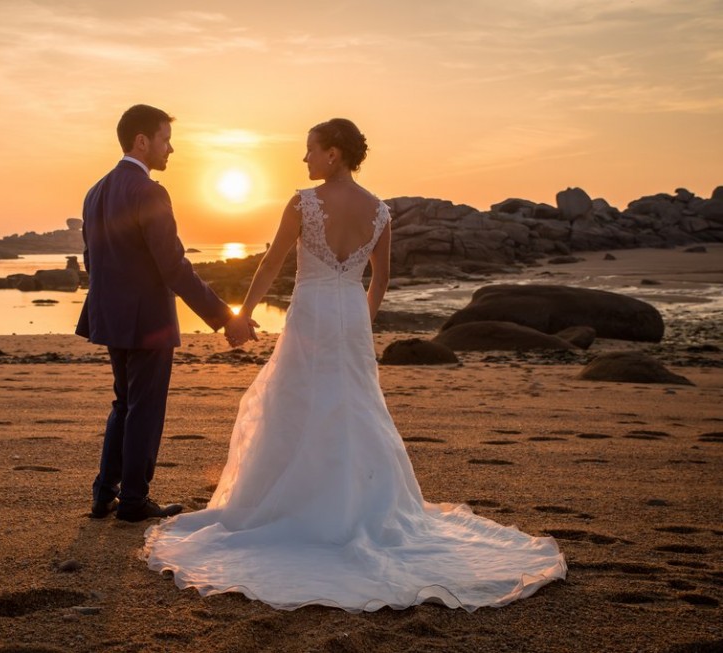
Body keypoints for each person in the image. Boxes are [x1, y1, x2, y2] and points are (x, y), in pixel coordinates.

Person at [144, 118, 566, 611]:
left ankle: (298, 510)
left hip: (310, 313)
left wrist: (245, 314)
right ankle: (355, 508)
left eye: (310, 150)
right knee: (354, 407)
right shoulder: (380, 212)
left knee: (297, 402)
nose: (304, 160)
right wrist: (359, 322)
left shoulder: (303, 203)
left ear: (334, 155)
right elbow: (381, 279)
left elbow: (271, 263)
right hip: (349, 315)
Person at [76, 104, 257, 523]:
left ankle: (105, 494)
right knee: (144, 407)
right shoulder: (150, 192)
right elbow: (173, 266)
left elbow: (91, 259)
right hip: (147, 322)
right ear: (142, 141)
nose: (170, 149)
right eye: (165, 139)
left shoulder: (95, 191)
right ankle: (134, 501)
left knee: (124, 403)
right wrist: (226, 316)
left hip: (109, 317)